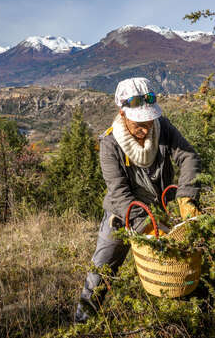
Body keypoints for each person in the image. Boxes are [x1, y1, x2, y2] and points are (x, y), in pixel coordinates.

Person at [74, 77, 201, 323]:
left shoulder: (162, 127)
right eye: (138, 121)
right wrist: (148, 225)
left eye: (149, 119)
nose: (145, 126)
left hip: (159, 211)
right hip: (122, 217)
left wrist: (186, 197)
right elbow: (119, 193)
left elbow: (189, 156)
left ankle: (177, 321)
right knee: (101, 270)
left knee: (174, 268)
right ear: (122, 113)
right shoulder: (110, 144)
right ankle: (83, 322)